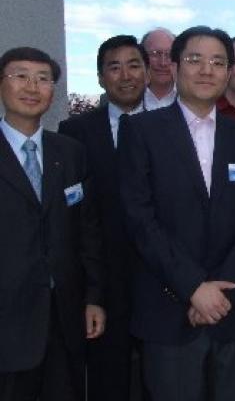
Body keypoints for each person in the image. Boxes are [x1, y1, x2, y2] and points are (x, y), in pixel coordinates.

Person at [118, 26, 235, 401]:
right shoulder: (140, 131)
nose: (207, 70)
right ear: (173, 66)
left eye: (218, 62)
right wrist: (192, 288)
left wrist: (220, 290)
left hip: (232, 310)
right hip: (169, 311)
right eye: (195, 60)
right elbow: (140, 218)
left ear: (228, 71)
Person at [0, 47, 105, 400]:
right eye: (21, 76)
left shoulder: (69, 152)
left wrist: (94, 297)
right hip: (8, 325)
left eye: (43, 79)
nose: (32, 86)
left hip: (65, 319)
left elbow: (86, 232)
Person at [58, 35, 147, 401]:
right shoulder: (74, 134)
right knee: (108, 380)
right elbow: (77, 216)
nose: (125, 75)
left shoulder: (171, 126)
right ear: (99, 77)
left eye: (134, 65)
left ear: (147, 72)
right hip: (102, 282)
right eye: (115, 66)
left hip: (160, 281)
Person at [141, 28, 175, 110]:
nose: (163, 63)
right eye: (155, 54)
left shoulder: (195, 98)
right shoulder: (120, 99)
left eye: (169, 54)